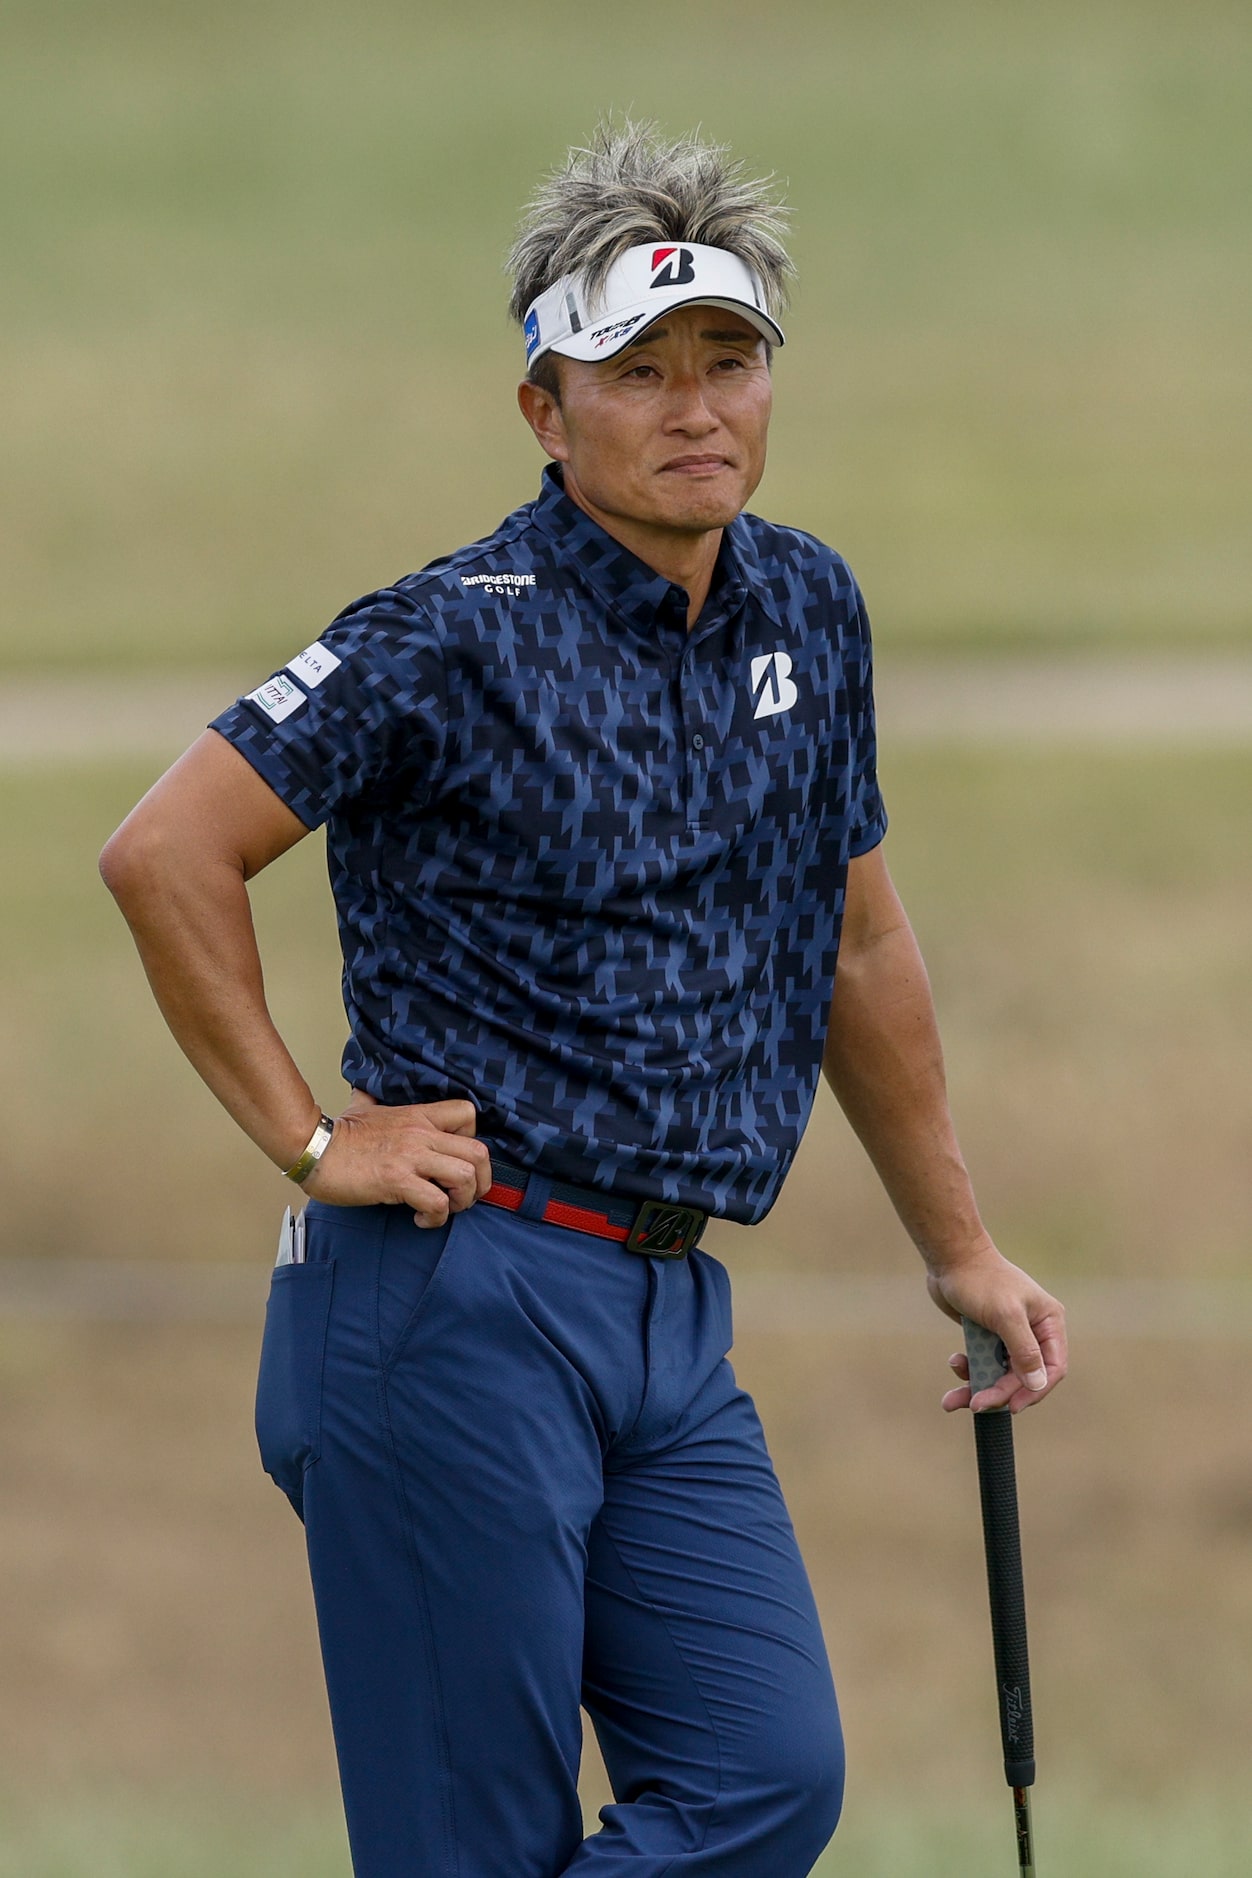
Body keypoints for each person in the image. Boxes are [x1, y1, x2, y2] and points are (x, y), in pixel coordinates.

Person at [100, 121, 1066, 1878]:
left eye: (731, 361)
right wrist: (313, 1133)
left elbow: (855, 945)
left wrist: (963, 1244)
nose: (698, 408)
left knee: (769, 1775)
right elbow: (167, 850)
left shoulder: (810, 608)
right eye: (640, 370)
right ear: (546, 408)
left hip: (664, 1314)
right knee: (470, 1843)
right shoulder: (447, 633)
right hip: (447, 1302)